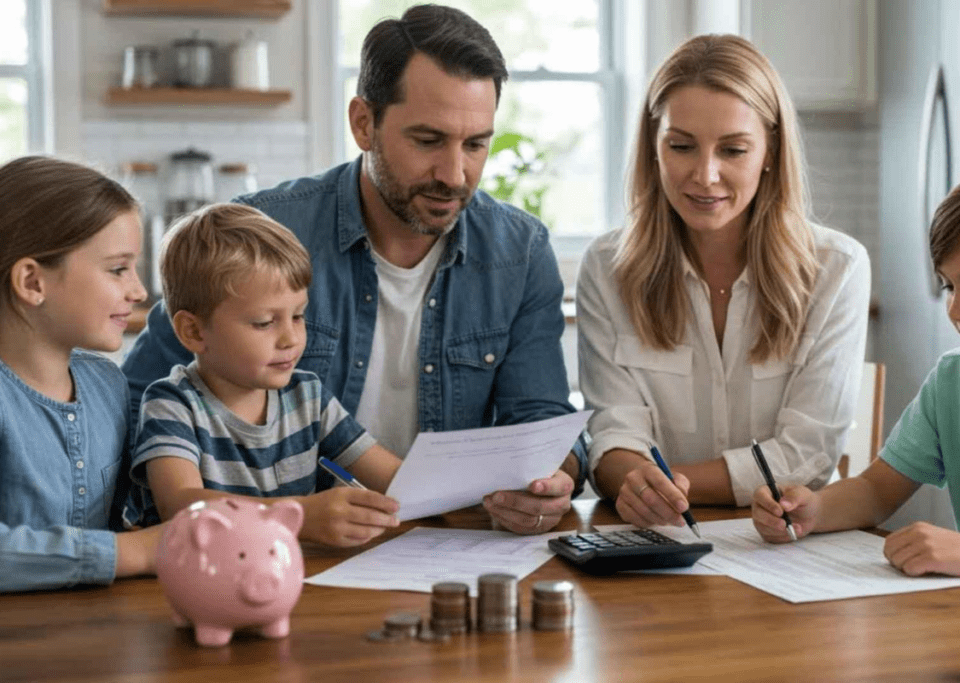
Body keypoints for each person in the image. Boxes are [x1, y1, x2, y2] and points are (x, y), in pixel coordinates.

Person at [121, 4, 585, 535]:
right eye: (428, 141)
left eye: (476, 144)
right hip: (270, 552)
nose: (454, 174)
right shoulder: (262, 234)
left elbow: (544, 429)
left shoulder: (519, 251)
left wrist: (548, 483)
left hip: (443, 543)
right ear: (363, 123)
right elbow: (135, 407)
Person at [577, 34, 870, 528]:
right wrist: (631, 482)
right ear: (653, 148)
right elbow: (612, 432)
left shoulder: (836, 268)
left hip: (782, 543)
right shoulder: (608, 267)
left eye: (733, 150)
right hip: (655, 541)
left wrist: (663, 486)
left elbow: (808, 455)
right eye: (681, 146)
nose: (705, 175)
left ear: (770, 150)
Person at [753, 158, 960, 577]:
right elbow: (877, 490)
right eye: (949, 286)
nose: (957, 309)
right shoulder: (954, 380)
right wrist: (813, 508)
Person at [125, 203, 404, 547]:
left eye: (298, 316)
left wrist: (482, 491)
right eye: (264, 322)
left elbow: (396, 479)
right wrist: (299, 515)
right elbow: (180, 506)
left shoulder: (309, 396)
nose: (291, 338)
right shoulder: (172, 405)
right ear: (194, 332)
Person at [0, 156, 162, 592]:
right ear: (33, 282)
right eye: (117, 269)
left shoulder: (106, 384)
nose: (139, 291)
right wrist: (136, 552)